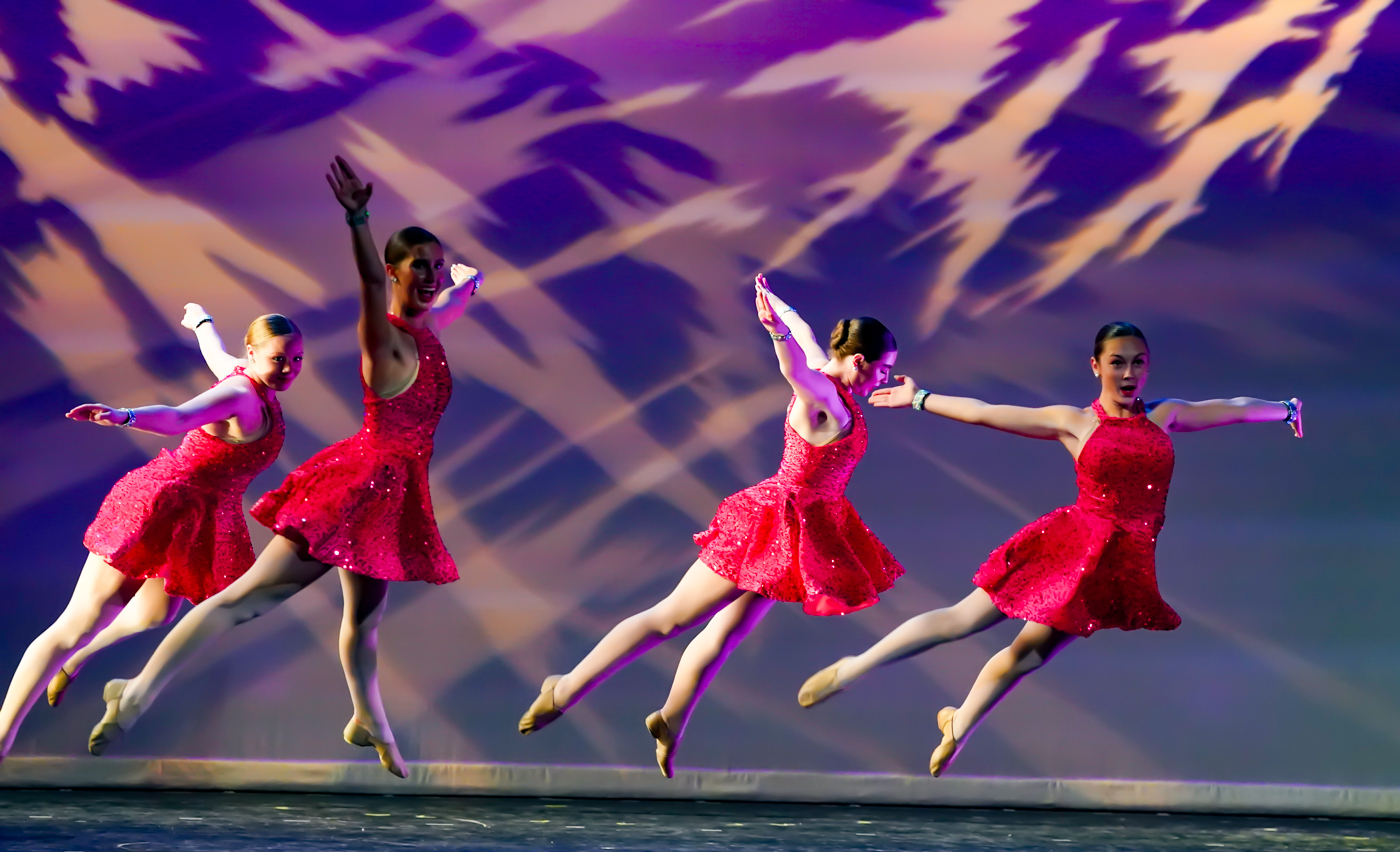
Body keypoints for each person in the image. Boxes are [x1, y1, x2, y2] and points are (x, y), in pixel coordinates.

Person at [86, 156, 480, 778]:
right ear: (393, 273)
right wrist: (358, 219)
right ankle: (133, 695)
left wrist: (469, 280)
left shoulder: (429, 333)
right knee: (242, 601)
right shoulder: (384, 337)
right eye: (418, 267)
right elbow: (370, 285)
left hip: (395, 493)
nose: (431, 278)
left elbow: (452, 303)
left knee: (365, 619)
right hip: (357, 486)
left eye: (436, 266)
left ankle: (368, 719)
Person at [798, 321, 1304, 776]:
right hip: (1067, 545)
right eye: (1117, 363)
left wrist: (1285, 410)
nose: (1129, 374)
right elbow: (987, 413)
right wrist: (920, 398)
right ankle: (853, 668)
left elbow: (1233, 409)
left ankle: (958, 723)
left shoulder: (1165, 416)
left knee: (1028, 654)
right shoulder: (1076, 422)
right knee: (963, 620)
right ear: (1096, 366)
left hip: (1115, 564)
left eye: (1139, 363)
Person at [517, 275, 904, 777]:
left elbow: (804, 337)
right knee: (670, 619)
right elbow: (792, 365)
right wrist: (775, 330)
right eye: (883, 369)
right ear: (859, 360)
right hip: (770, 522)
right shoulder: (823, 398)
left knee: (726, 634)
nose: (884, 379)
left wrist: (776, 306)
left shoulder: (828, 377)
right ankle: (564, 689)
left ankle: (671, 719)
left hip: (798, 532)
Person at [0, 307, 301, 761]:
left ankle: (76, 660)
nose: (289, 369)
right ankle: (3, 736)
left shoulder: (247, 376)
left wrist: (201, 323)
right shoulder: (241, 392)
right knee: (78, 622)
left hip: (198, 515)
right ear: (255, 353)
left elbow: (215, 354)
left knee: (155, 614)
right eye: (279, 359)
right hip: (162, 504)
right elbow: (178, 418)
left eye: (296, 360)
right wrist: (123, 416)